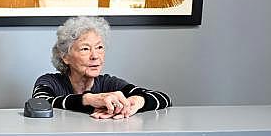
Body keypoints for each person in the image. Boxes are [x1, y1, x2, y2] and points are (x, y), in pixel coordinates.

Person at [32, 16, 171, 119]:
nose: (95, 56)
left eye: (99, 47)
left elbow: (164, 98)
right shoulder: (49, 82)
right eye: (85, 49)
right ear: (65, 57)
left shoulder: (109, 83)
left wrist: (138, 101)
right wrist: (89, 99)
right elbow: (40, 104)